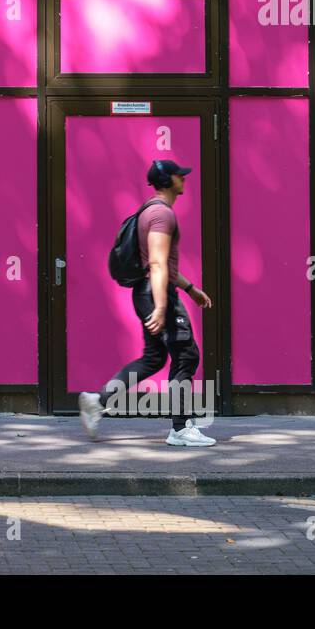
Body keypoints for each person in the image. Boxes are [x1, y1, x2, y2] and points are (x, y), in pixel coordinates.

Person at [79, 159, 216, 447]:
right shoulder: (161, 215)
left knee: (155, 358)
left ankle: (97, 400)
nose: (184, 179)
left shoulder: (150, 211)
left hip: (150, 291)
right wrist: (162, 306)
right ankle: (181, 429)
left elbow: (163, 263)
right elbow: (156, 262)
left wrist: (190, 289)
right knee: (186, 355)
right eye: (180, 175)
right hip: (156, 293)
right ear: (169, 181)